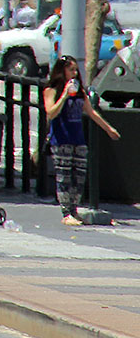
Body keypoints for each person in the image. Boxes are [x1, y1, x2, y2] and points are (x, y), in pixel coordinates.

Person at [43, 56, 121, 225]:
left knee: (79, 176)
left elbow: (91, 112)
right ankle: (66, 212)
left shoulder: (80, 92)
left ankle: (75, 209)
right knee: (64, 176)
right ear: (61, 70)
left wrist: (108, 129)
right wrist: (64, 95)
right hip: (61, 139)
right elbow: (50, 113)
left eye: (75, 70)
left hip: (78, 139)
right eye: (70, 69)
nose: (74, 73)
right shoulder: (52, 90)